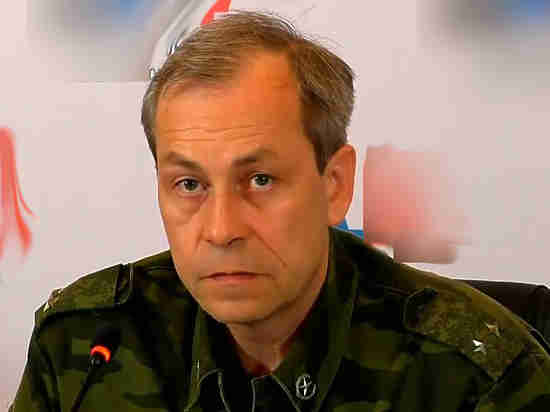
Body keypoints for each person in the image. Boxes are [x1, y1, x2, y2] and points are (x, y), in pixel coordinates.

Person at [10, 10, 550, 412]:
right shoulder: (86, 348)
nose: (221, 229)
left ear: (334, 185)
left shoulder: (480, 379)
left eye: (260, 180)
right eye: (190, 184)